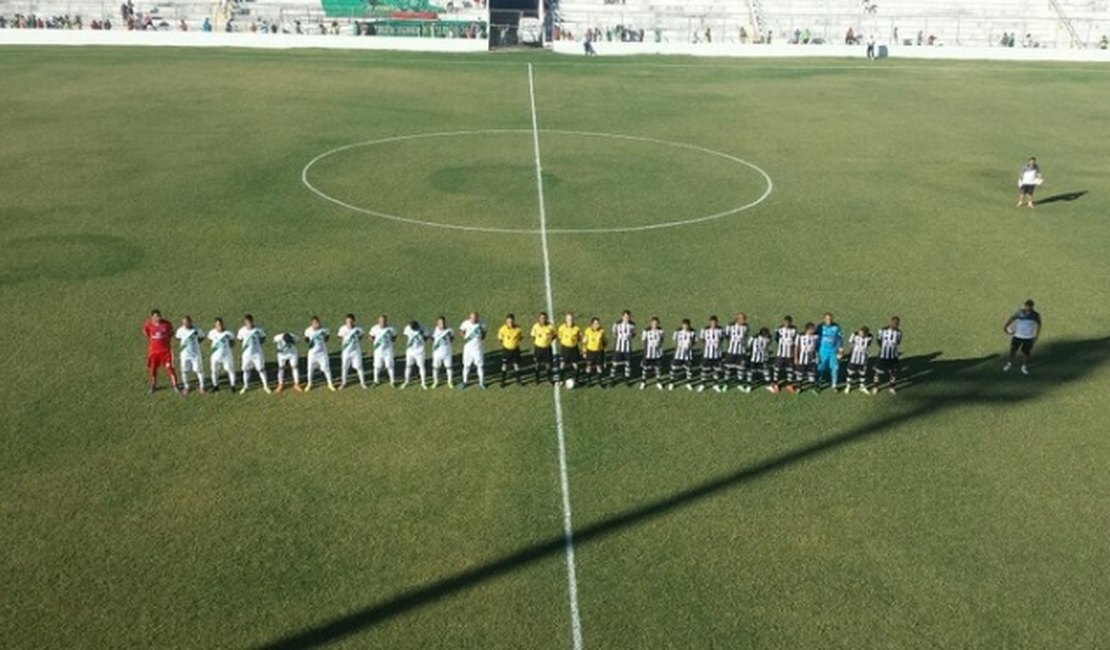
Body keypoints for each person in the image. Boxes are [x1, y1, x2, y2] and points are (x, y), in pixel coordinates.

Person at [143, 309, 180, 394]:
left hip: (166, 352)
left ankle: (175, 385)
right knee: (153, 369)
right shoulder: (148, 324)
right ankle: (153, 386)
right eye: (156, 316)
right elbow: (146, 332)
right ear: (152, 317)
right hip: (154, 352)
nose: (158, 318)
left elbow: (171, 333)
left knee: (170, 368)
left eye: (159, 316)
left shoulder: (167, 324)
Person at [1003, 299, 1041, 375]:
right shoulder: (1020, 312)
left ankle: (1024, 366)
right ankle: (1009, 363)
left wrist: (1036, 336)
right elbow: (1012, 318)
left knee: (1026, 353)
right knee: (1013, 350)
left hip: (1028, 337)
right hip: (1018, 335)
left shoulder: (1035, 315)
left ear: (1032, 307)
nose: (1028, 308)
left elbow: (1039, 325)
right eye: (1027, 306)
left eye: (1030, 307)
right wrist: (1006, 327)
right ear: (1025, 306)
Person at [236, 314, 270, 394]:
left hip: (257, 354)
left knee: (261, 369)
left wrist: (257, 345)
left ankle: (265, 386)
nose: (248, 324)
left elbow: (263, 338)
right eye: (247, 323)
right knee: (246, 370)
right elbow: (239, 339)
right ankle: (245, 386)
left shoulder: (258, 330)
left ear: (252, 321)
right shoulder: (242, 330)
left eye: (250, 322)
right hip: (246, 355)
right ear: (245, 323)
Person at [303, 315, 336, 392]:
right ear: (312, 323)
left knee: (326, 369)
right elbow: (306, 338)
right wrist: (310, 343)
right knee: (310, 369)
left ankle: (330, 384)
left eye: (317, 323)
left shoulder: (324, 330)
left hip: (322, 353)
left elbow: (327, 338)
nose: (316, 325)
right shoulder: (308, 331)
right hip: (312, 354)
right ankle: (309, 384)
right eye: (314, 323)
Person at [175, 315, 205, 395]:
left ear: (190, 322)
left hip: (195, 354)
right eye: (184, 323)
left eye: (187, 323)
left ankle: (202, 387)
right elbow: (178, 338)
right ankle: (186, 387)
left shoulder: (197, 330)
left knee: (199, 370)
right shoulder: (180, 330)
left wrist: (195, 343)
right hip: (184, 355)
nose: (185, 324)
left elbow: (202, 337)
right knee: (184, 371)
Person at [815, 312, 845, 392]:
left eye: (830, 319)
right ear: (824, 319)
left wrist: (840, 349)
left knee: (835, 367)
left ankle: (834, 385)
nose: (829, 321)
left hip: (833, 351)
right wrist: (816, 351)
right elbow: (816, 339)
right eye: (827, 319)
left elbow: (840, 339)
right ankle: (818, 384)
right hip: (822, 351)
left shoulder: (836, 327)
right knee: (820, 368)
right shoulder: (820, 327)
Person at [872, 316, 902, 394]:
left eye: (897, 324)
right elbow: (878, 340)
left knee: (893, 371)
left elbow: (898, 342)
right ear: (890, 322)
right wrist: (883, 347)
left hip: (893, 355)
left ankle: (892, 387)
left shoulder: (899, 332)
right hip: (883, 355)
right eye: (894, 323)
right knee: (878, 371)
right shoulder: (882, 330)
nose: (895, 325)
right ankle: (875, 386)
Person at [338, 313, 368, 389]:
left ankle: (362, 383)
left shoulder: (358, 329)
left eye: (351, 322)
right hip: (346, 352)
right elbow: (340, 337)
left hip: (356, 352)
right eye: (348, 322)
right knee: (344, 367)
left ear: (354, 321)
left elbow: (361, 336)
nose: (349, 324)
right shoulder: (342, 329)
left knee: (359, 367)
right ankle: (344, 383)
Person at [458, 311, 487, 389]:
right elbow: (461, 331)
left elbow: (484, 334)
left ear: (477, 318)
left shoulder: (482, 324)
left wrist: (479, 340)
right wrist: (464, 336)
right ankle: (465, 382)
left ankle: (481, 383)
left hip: (478, 349)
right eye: (472, 318)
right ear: (469, 318)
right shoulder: (465, 323)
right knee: (466, 366)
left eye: (475, 318)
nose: (473, 320)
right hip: (468, 349)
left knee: (480, 366)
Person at [207, 317, 236, 391]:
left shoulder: (228, 333)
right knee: (214, 371)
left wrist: (226, 349)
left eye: (220, 324)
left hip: (227, 356)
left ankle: (232, 386)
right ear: (215, 325)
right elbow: (210, 340)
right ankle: (215, 386)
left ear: (223, 324)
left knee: (230, 370)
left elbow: (232, 343)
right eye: (217, 325)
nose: (218, 326)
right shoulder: (211, 333)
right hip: (215, 356)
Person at [771, 315, 798, 394]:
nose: (787, 324)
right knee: (777, 368)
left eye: (788, 322)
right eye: (785, 322)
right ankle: (776, 384)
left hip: (789, 354)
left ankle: (789, 385)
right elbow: (776, 338)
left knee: (790, 369)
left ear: (791, 322)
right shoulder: (779, 329)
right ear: (783, 322)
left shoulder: (794, 330)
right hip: (781, 354)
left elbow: (796, 340)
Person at [698, 315, 725, 392]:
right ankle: (703, 384)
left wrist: (717, 344)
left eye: (715, 322)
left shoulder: (721, 329)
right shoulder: (704, 329)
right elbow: (702, 338)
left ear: (717, 322)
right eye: (712, 322)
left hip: (717, 354)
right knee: (705, 369)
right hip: (707, 354)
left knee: (716, 370)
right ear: (709, 322)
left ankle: (715, 385)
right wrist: (708, 344)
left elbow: (722, 338)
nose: (713, 324)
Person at [369, 315, 397, 386]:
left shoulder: (391, 329)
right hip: (378, 351)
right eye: (381, 321)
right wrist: (372, 340)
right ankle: (376, 381)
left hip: (388, 351)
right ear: (378, 321)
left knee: (389, 366)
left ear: (386, 321)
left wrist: (390, 342)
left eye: (384, 321)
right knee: (377, 366)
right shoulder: (374, 328)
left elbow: (394, 336)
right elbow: (371, 336)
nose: (382, 323)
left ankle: (392, 381)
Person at [669, 318, 697, 391]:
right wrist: (676, 346)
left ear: (689, 325)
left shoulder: (693, 332)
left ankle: (688, 383)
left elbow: (695, 341)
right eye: (684, 325)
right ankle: (671, 382)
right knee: (673, 367)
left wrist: (691, 344)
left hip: (688, 354)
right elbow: (674, 340)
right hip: (679, 353)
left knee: (689, 368)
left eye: (686, 326)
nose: (685, 327)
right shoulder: (677, 331)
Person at [724, 313, 749, 391]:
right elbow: (726, 335)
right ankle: (726, 384)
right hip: (731, 351)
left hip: (741, 351)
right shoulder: (730, 326)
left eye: (744, 319)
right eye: (743, 319)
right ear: (738, 319)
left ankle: (740, 384)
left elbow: (745, 336)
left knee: (741, 368)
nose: (744, 321)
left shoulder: (746, 327)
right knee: (728, 368)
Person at [530, 312, 557, 385]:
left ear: (546, 318)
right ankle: (537, 379)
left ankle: (549, 378)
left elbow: (555, 334)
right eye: (541, 318)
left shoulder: (550, 326)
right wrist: (537, 343)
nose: (543, 319)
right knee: (537, 364)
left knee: (548, 364)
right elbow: (532, 336)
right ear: (539, 319)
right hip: (538, 348)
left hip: (547, 348)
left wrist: (550, 340)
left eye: (544, 318)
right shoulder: (536, 326)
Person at [610, 310, 636, 386]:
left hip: (627, 348)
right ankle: (612, 379)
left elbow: (634, 334)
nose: (626, 318)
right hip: (618, 348)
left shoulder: (632, 325)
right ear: (622, 317)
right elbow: (614, 333)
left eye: (628, 317)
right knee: (614, 364)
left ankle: (627, 380)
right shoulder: (617, 324)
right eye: (625, 317)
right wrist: (620, 337)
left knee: (628, 364)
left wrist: (629, 337)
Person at [497, 313, 524, 387]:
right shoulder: (502, 329)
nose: (510, 323)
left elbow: (520, 338)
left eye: (511, 321)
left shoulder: (518, 329)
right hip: (506, 350)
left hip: (515, 350)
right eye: (508, 322)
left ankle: (519, 380)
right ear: (506, 321)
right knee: (504, 365)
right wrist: (507, 344)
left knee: (516, 365)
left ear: (514, 321)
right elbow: (500, 339)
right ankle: (503, 381)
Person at [639, 316, 666, 390]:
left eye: (656, 323)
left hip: (657, 353)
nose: (655, 325)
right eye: (653, 323)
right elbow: (643, 340)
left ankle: (658, 381)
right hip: (648, 353)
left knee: (658, 368)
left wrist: (659, 346)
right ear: (651, 323)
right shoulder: (646, 331)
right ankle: (643, 382)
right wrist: (646, 349)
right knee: (645, 368)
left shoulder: (660, 330)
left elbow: (662, 339)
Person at [845, 326, 873, 394]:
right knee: (850, 373)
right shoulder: (854, 335)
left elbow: (868, 344)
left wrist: (865, 351)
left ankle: (862, 387)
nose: (861, 334)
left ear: (866, 333)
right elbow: (851, 343)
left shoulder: (870, 337)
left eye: (863, 334)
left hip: (863, 358)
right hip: (854, 358)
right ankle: (848, 386)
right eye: (860, 333)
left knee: (863, 373)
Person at [402, 320, 429, 389]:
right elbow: (405, 335)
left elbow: (426, 337)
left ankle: (423, 383)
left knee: (421, 366)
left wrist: (421, 338)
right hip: (410, 351)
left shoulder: (423, 328)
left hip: (420, 351)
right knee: (408, 366)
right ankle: (406, 381)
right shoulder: (407, 328)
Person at [556, 313, 583, 384]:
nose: (570, 321)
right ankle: (561, 380)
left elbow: (580, 338)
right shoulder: (562, 328)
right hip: (565, 349)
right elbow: (559, 337)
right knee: (562, 364)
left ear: (573, 320)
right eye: (568, 319)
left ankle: (576, 380)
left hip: (574, 349)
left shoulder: (577, 328)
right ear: (566, 320)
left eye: (571, 319)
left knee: (575, 365)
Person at [743, 328, 772, 393]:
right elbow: (748, 346)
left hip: (763, 358)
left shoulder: (768, 339)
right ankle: (749, 386)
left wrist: (768, 352)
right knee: (751, 372)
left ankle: (768, 385)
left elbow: (767, 347)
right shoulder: (753, 338)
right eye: (766, 334)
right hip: (754, 358)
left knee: (766, 371)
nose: (767, 335)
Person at [582, 317, 608, 387]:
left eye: (598, 323)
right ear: (592, 324)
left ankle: (600, 381)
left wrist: (604, 347)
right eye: (596, 323)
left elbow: (605, 341)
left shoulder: (602, 331)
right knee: (589, 366)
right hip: (590, 352)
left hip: (599, 352)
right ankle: (589, 381)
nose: (597, 325)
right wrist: (584, 352)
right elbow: (584, 342)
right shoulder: (588, 331)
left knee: (599, 367)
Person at [794, 322, 820, 393]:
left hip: (812, 359)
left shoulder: (816, 336)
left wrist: (817, 356)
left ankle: (813, 388)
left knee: (812, 376)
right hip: (802, 359)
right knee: (800, 375)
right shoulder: (800, 336)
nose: (814, 330)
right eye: (813, 329)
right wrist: (796, 357)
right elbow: (796, 347)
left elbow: (817, 347)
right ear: (808, 329)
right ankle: (799, 387)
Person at [430, 316, 454, 389]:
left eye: (443, 322)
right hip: (437, 354)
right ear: (437, 323)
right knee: (435, 368)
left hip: (447, 353)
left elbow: (452, 338)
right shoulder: (434, 330)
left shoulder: (449, 330)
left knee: (449, 367)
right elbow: (432, 338)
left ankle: (450, 382)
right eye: (440, 323)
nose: (442, 324)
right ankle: (435, 382)